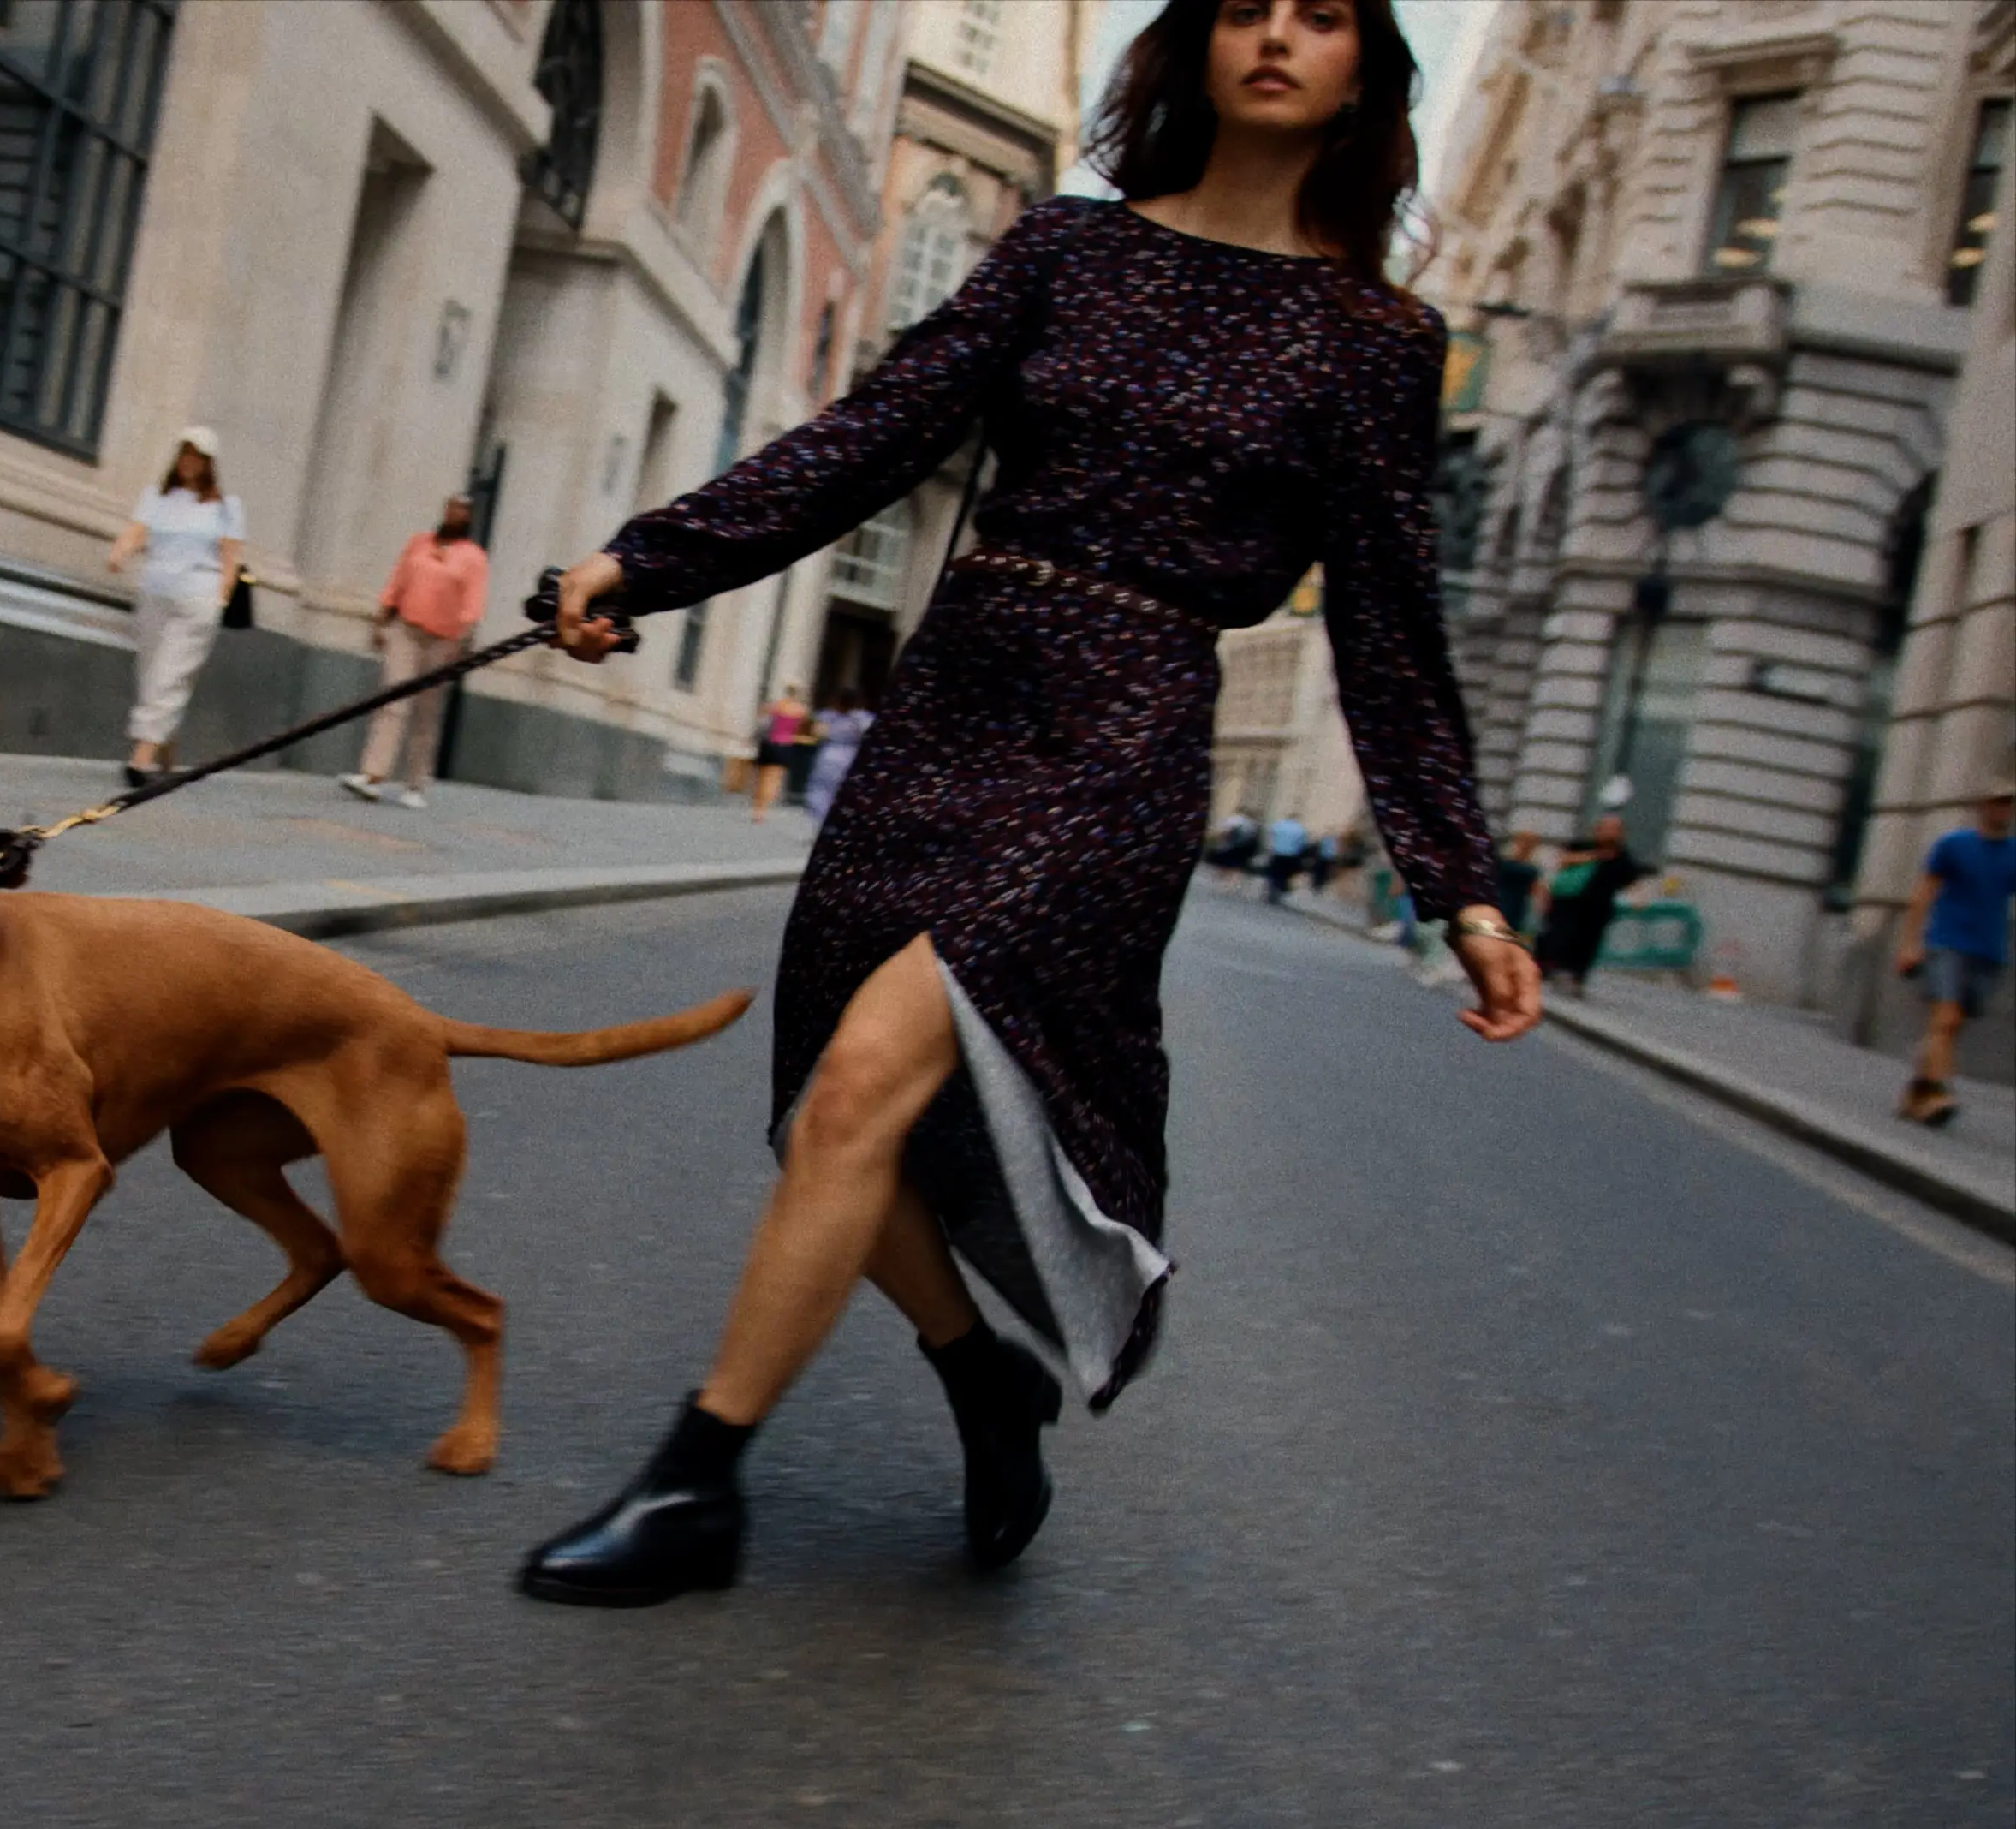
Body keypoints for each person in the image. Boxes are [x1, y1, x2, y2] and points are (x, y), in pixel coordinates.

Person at [513, 0, 1538, 1607]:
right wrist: (647, 560)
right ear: (1195, 43)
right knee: (834, 1122)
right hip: (954, 697)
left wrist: (1461, 885)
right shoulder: (1068, 248)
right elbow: (876, 434)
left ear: (1364, 72)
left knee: (864, 1085)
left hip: (1122, 739)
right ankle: (981, 1373)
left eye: (1322, 14)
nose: (1277, 36)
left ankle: (696, 1486)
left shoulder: (1375, 340)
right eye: (1247, 7)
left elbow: (1390, 629)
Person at [105, 428, 244, 789]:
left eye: (197, 457)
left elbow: (230, 558)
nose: (189, 463)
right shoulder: (157, 497)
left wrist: (221, 599)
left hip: (196, 600)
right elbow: (137, 531)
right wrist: (121, 551)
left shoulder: (225, 507)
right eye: (185, 454)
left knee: (168, 676)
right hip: (155, 594)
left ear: (209, 463)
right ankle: (164, 748)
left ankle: (140, 760)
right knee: (151, 673)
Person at [339, 494, 490, 811]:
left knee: (426, 711)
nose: (454, 514)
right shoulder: (419, 543)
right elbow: (397, 582)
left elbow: (472, 604)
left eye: (461, 510)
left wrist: (462, 644)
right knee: (392, 700)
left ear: (469, 518)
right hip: (406, 630)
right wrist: (381, 619)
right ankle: (373, 775)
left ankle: (415, 784)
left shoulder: (474, 557)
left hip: (443, 641)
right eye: (450, 508)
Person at [1892, 785, 2016, 1127]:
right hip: (1946, 943)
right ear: (1982, 807)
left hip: (1988, 951)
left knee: (1949, 1027)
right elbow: (1922, 894)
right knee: (1945, 1019)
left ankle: (1917, 1091)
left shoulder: (2013, 853)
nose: (2005, 810)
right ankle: (1940, 1092)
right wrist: (1909, 943)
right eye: (1999, 802)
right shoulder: (1953, 846)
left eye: (2010, 804)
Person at [1534, 813, 1647, 999]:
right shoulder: (1582, 846)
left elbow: (1631, 881)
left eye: (1615, 829)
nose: (1610, 833)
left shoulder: (1622, 856)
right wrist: (1595, 856)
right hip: (1567, 904)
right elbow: (1561, 861)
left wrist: (1640, 899)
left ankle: (1576, 977)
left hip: (1598, 909)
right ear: (1597, 830)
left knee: (1588, 943)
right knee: (1559, 936)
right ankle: (1555, 969)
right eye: (1606, 828)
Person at [804, 690, 874, 822]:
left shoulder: (827, 715)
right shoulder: (864, 718)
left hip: (830, 754)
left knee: (821, 790)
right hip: (852, 754)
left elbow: (818, 733)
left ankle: (823, 820)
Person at [749, 686, 815, 823]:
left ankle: (757, 808)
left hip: (769, 743)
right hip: (785, 745)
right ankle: (762, 811)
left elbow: (762, 715)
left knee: (761, 778)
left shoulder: (777, 705)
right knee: (774, 778)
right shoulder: (801, 710)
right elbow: (807, 729)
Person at [1492, 829, 1544, 938]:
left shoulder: (1532, 868)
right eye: (1524, 841)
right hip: (1501, 901)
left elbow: (1536, 890)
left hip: (1518, 905)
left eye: (1530, 842)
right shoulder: (1504, 861)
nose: (1526, 845)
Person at [1260, 811, 1309, 904]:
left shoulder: (1278, 825)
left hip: (1277, 853)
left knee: (1273, 872)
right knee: (1285, 874)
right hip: (1292, 855)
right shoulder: (1300, 829)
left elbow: (1270, 837)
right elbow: (1303, 844)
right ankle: (1280, 889)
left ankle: (1271, 889)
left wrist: (1270, 848)